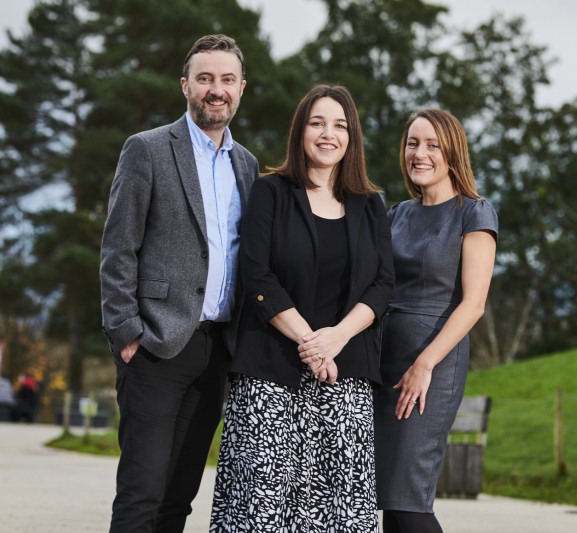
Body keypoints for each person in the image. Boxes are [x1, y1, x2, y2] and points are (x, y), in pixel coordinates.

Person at [210, 85, 394, 532]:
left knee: (340, 513)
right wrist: (311, 342)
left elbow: (383, 284)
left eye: (339, 125)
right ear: (301, 131)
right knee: (262, 509)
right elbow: (256, 274)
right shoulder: (270, 191)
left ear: (351, 138)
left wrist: (336, 338)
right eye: (317, 123)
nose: (328, 134)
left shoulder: (371, 205)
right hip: (269, 376)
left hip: (346, 380)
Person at [99, 34, 259, 532]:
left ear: (241, 88)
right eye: (206, 78)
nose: (217, 89)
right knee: (142, 494)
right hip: (155, 346)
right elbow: (117, 247)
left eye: (227, 80)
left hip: (217, 352)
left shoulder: (247, 165)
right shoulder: (146, 150)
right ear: (185, 85)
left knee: (178, 499)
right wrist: (126, 332)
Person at [373, 109, 498, 532]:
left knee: (408, 499)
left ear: (452, 152)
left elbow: (474, 303)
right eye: (412, 143)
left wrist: (424, 364)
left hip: (431, 365)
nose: (419, 153)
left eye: (431, 144)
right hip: (384, 360)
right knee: (390, 497)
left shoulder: (474, 213)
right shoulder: (397, 214)